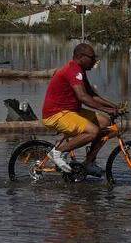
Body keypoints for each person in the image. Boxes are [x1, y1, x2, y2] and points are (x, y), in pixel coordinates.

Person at [40, 42, 123, 173]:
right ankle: (58, 152)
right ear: (80, 57)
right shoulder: (73, 70)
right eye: (92, 58)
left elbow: (91, 95)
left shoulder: (80, 71)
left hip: (70, 111)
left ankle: (89, 162)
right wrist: (106, 109)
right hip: (56, 114)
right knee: (93, 131)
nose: (94, 61)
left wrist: (114, 106)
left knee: (106, 123)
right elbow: (83, 97)